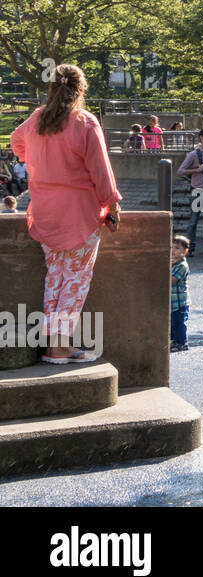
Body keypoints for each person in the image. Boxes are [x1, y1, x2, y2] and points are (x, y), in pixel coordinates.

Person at [10, 64, 122, 364]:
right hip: (79, 214)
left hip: (45, 210)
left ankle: (51, 345)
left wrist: (34, 159)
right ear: (81, 89)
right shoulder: (84, 122)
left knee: (55, 277)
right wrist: (111, 204)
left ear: (51, 89)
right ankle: (61, 347)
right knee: (76, 279)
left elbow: (16, 142)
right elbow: (101, 170)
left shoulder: (36, 118)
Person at [170, 235, 191, 352]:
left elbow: (172, 279)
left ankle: (182, 342)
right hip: (171, 302)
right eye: (172, 247)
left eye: (177, 248)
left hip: (180, 302)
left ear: (185, 251)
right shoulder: (172, 263)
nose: (173, 251)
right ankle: (174, 341)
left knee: (179, 323)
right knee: (172, 323)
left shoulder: (182, 266)